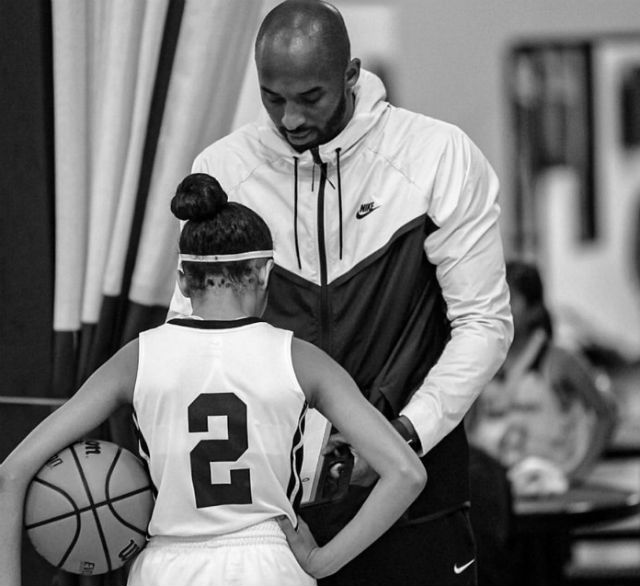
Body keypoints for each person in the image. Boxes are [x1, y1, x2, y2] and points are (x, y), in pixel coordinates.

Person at [169, 1, 513, 584]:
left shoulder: (435, 157)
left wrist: (402, 435)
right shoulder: (224, 170)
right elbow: (195, 337)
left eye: (310, 97)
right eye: (273, 98)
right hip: (273, 515)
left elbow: (484, 325)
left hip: (415, 498)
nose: (291, 118)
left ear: (351, 75)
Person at [0, 173, 426, 586]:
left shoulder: (137, 357)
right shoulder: (300, 358)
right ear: (264, 273)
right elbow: (406, 473)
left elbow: (12, 472)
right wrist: (322, 561)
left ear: (183, 281)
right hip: (268, 564)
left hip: (168, 566)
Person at [466, 259, 618, 495]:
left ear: (535, 310)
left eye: (509, 299)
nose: (499, 307)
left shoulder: (560, 360)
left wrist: (579, 471)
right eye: (493, 297)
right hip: (496, 489)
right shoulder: (483, 360)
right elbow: (469, 425)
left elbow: (606, 413)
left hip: (547, 487)